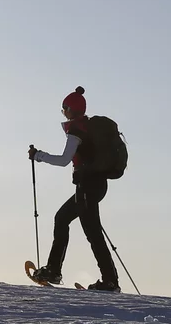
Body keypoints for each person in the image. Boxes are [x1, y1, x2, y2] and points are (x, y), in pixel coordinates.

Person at [28, 87, 121, 292]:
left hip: (87, 186)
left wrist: (38, 155)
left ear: (71, 109)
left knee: (84, 229)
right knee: (71, 222)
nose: (63, 112)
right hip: (96, 185)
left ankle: (59, 271)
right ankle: (108, 279)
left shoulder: (76, 130)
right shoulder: (88, 127)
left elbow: (63, 160)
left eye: (64, 108)